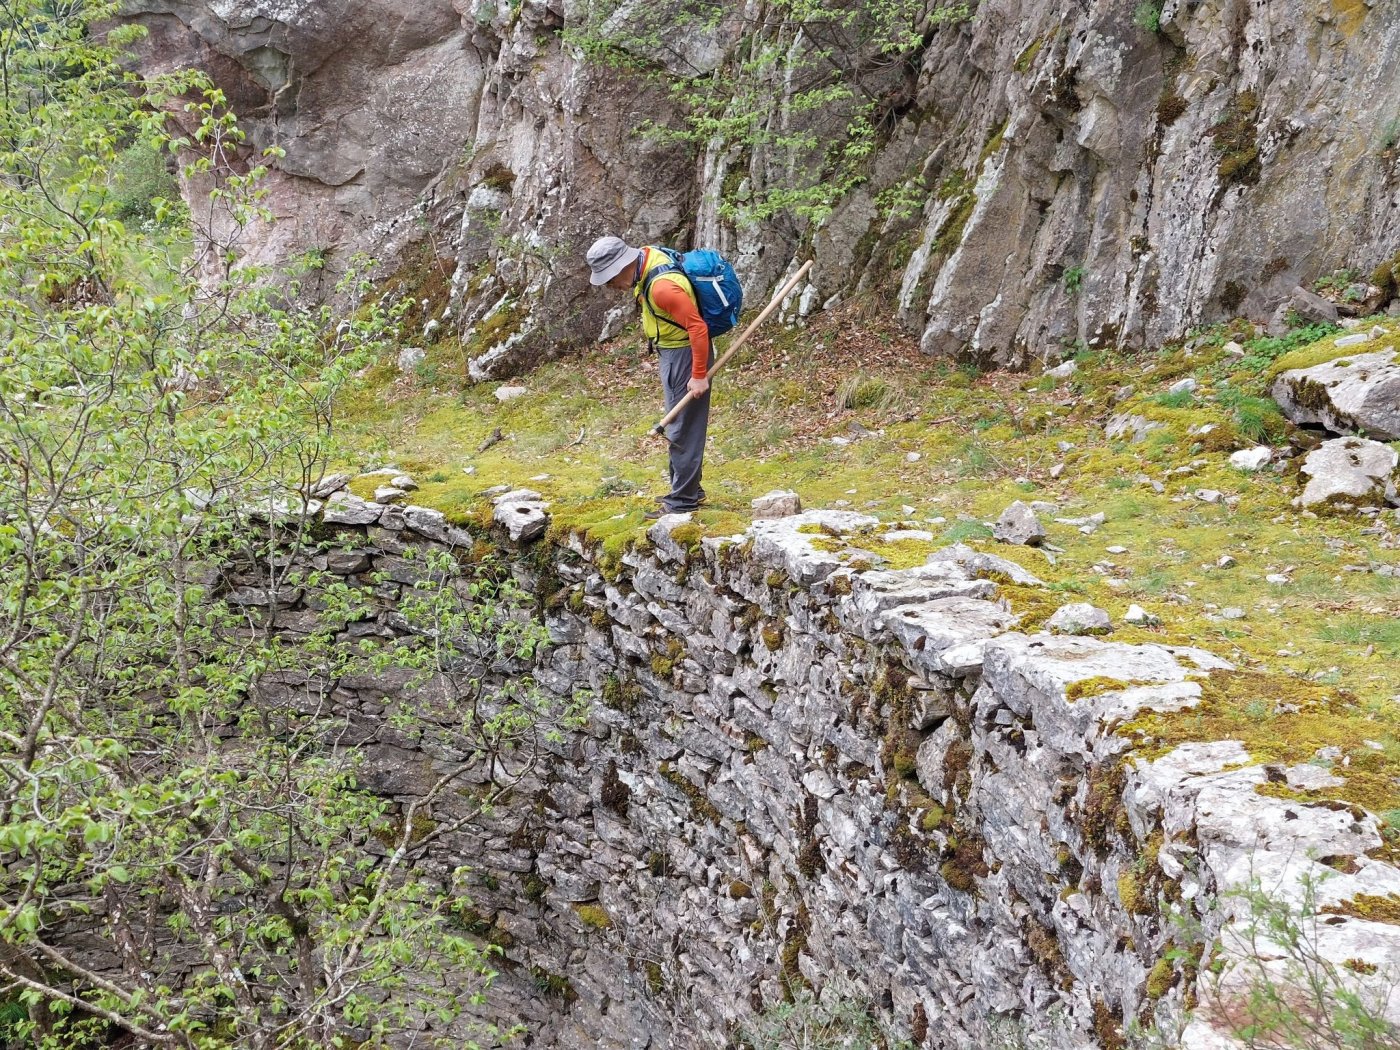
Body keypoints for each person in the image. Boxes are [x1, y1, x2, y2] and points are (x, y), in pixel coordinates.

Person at [586, 236, 713, 518]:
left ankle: (682, 502)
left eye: (609, 279)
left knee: (682, 428)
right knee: (680, 424)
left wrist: (699, 374)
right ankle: (689, 489)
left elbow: (698, 328)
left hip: (685, 354)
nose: (611, 286)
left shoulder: (663, 288)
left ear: (623, 266)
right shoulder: (647, 260)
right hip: (672, 352)